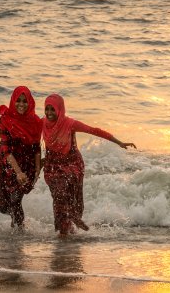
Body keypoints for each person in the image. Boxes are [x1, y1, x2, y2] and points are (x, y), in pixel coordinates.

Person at [42, 93, 136, 237]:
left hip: (72, 165)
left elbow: (94, 130)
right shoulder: (42, 123)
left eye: (52, 109)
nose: (49, 113)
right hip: (52, 167)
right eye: (47, 109)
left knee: (73, 197)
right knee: (58, 195)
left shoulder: (69, 124)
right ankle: (67, 226)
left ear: (59, 109)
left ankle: (68, 228)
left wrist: (119, 142)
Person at [0, 86, 42, 228]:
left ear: (30, 103)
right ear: (13, 100)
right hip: (6, 164)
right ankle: (16, 221)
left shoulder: (35, 122)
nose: (21, 104)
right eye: (18, 100)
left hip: (26, 164)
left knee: (16, 200)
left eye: (25, 101)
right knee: (2, 206)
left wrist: (37, 170)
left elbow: (36, 148)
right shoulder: (4, 120)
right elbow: (6, 149)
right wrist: (17, 172)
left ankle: (18, 232)